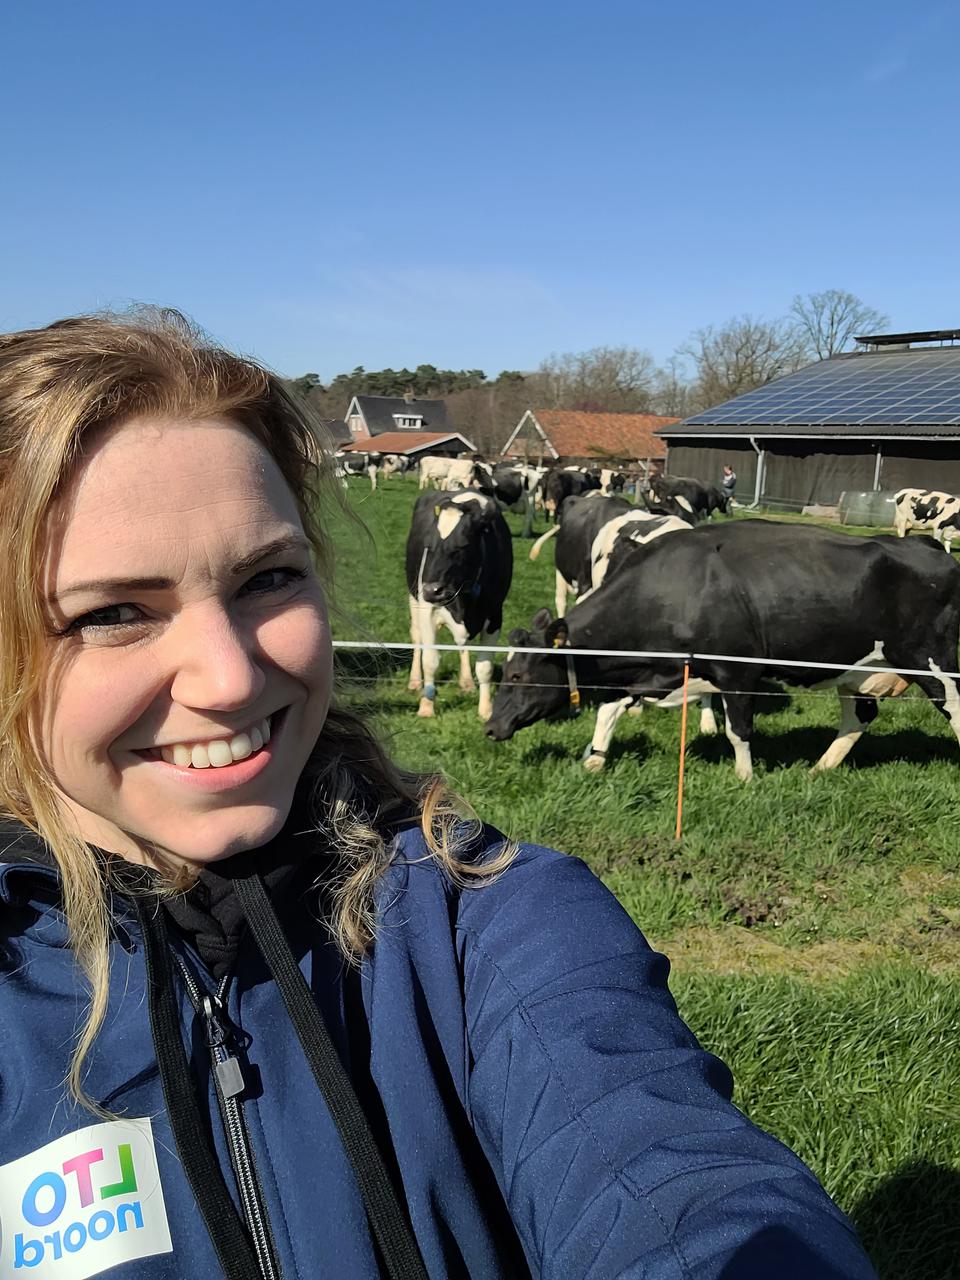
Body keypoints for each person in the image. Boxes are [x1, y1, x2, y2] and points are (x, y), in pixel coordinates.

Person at [0, 310, 876, 1280]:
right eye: (115, 611)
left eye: (269, 578)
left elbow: (668, 1175)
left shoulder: (479, 914)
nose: (231, 677)